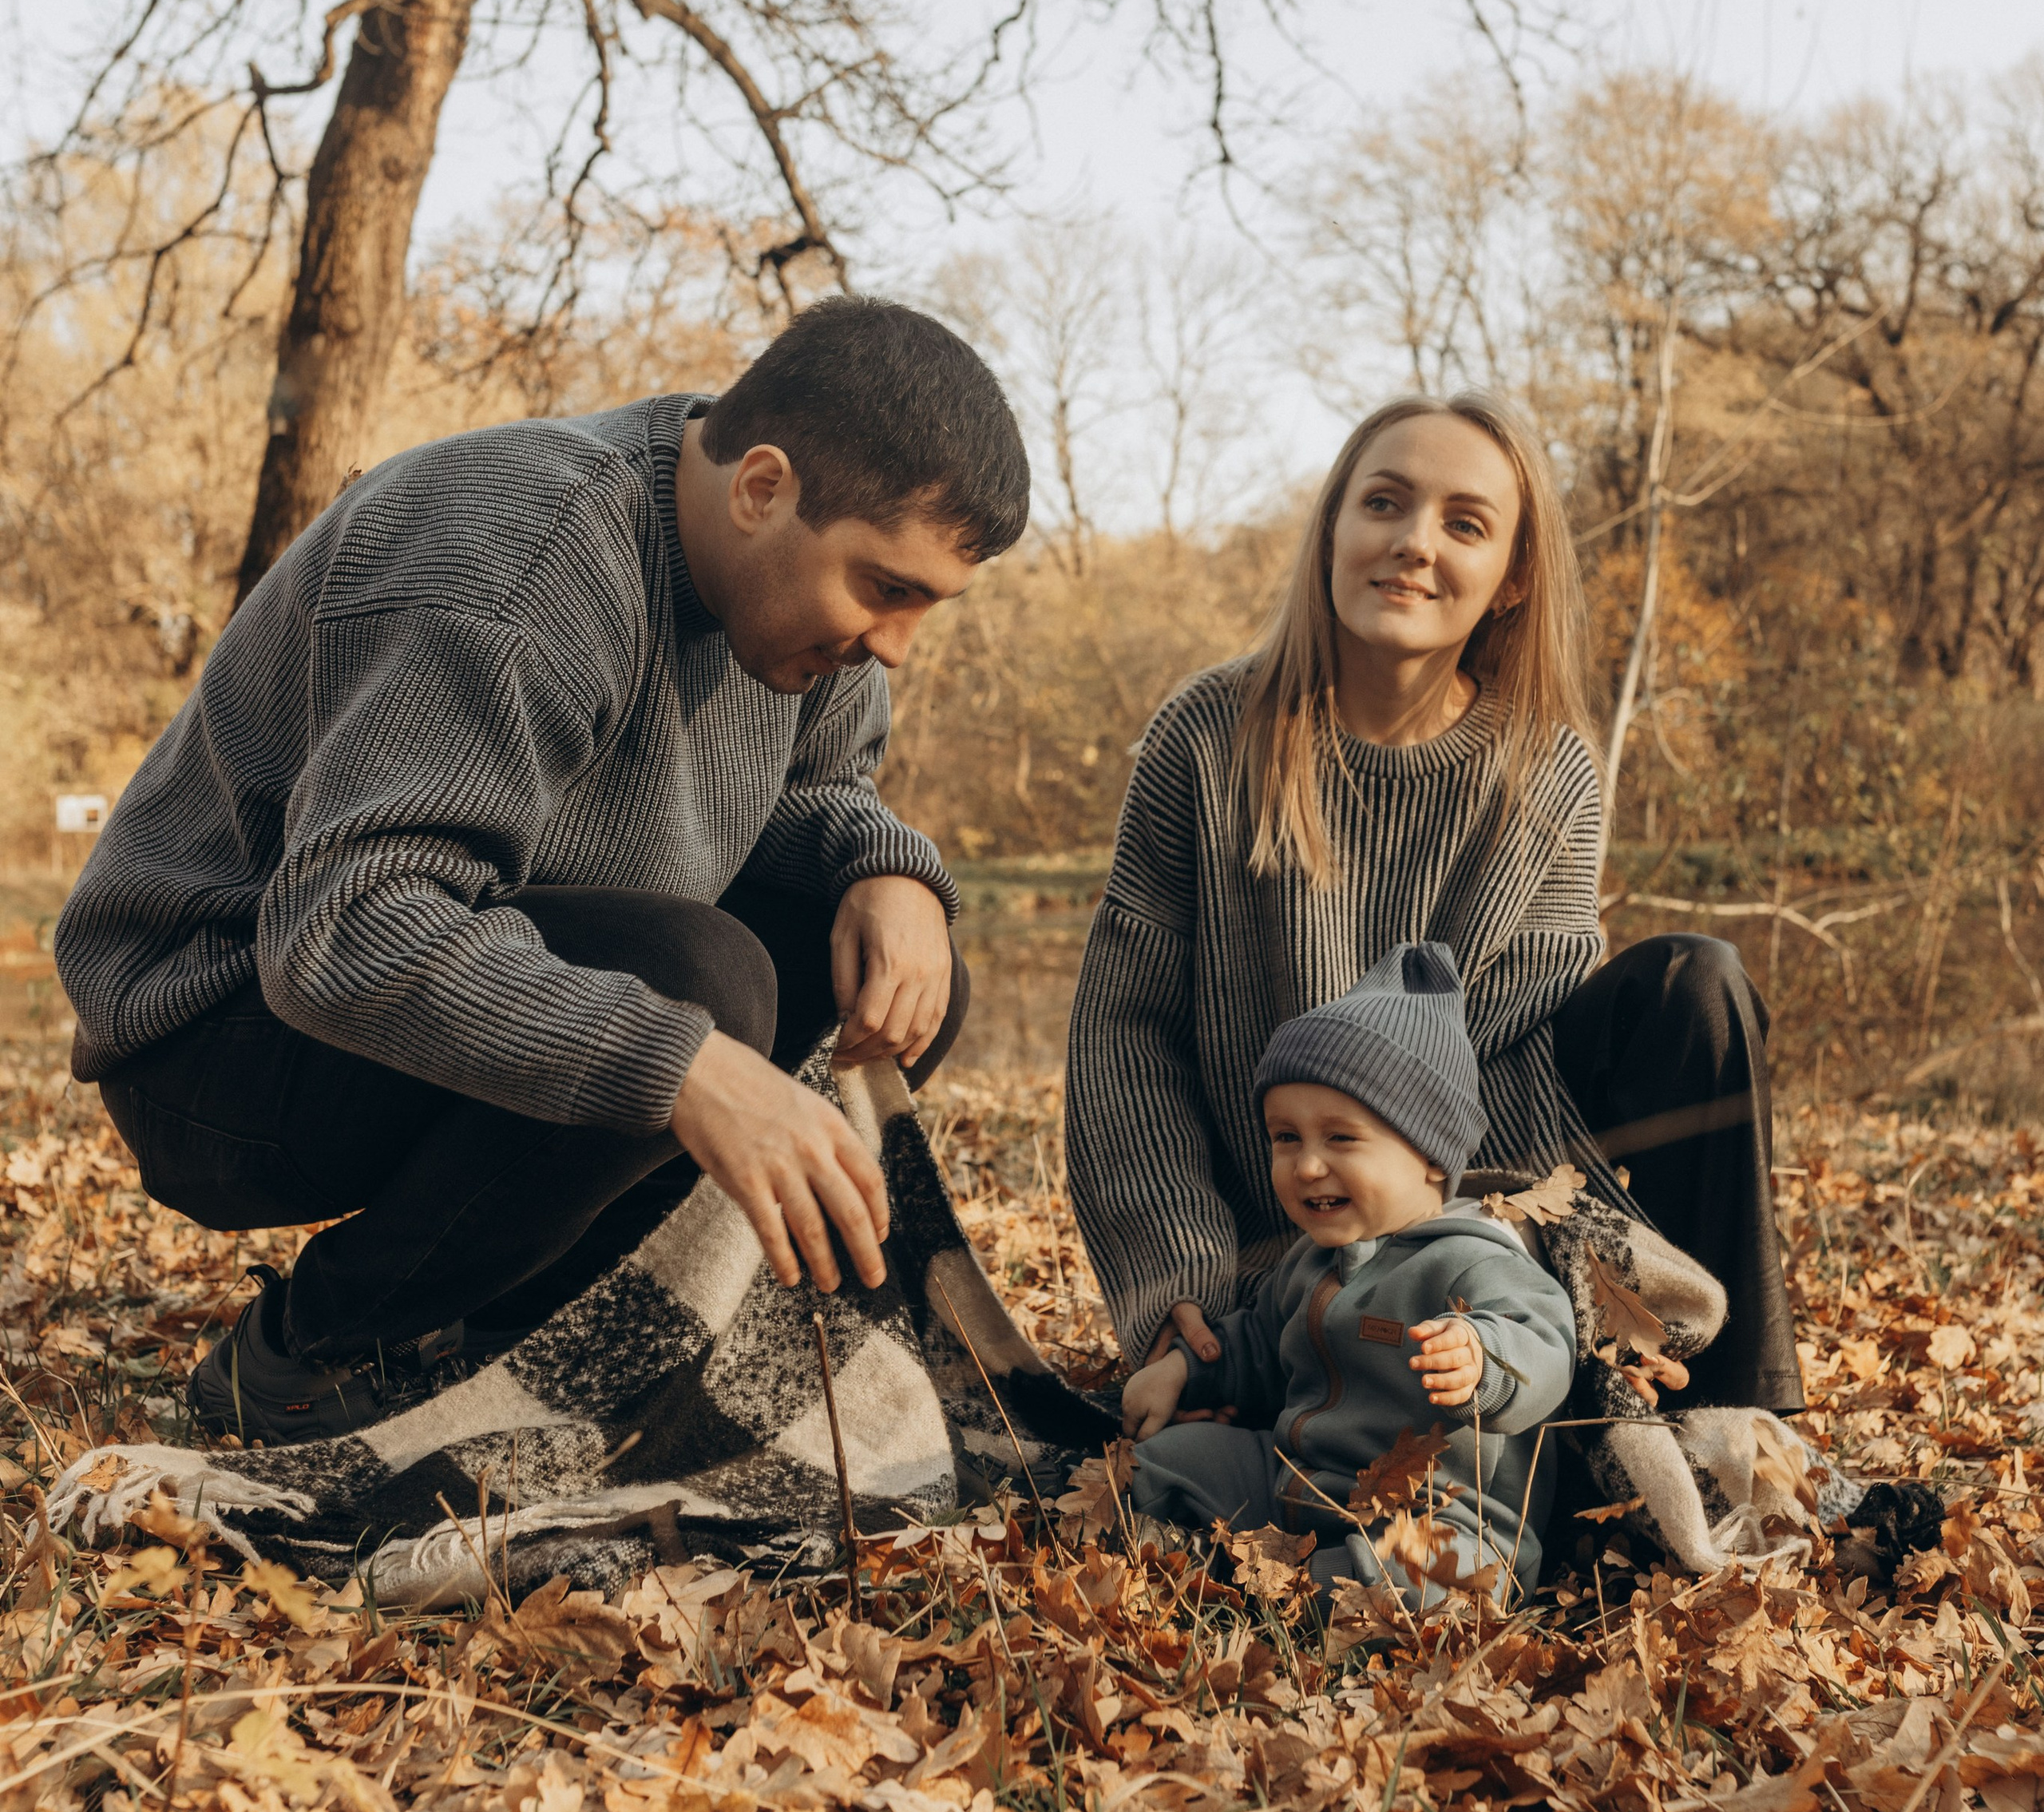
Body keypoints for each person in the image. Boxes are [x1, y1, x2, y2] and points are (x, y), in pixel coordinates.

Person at [57, 296, 1028, 1443]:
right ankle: (318, 1345)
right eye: (886, 587)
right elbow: (344, 931)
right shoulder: (521, 556)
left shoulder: (797, 616)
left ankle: (527, 1331)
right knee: (697, 982)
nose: (896, 644)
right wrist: (681, 1066)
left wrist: (887, 869)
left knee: (888, 967)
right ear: (762, 489)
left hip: (432, 975)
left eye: (927, 603)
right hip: (214, 1039)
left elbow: (807, 796)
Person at [1067, 390, 1800, 1422]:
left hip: (1481, 1222)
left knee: (1699, 982)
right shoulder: (1207, 736)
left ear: (1511, 581)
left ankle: (1741, 1424)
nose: (1414, 543)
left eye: (1465, 524)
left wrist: (1534, 1276)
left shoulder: (1551, 771)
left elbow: (1518, 1063)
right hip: (1285, 1220)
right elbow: (1124, 1036)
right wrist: (1177, 1279)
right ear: (1332, 530)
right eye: (1384, 503)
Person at [1120, 943, 1578, 1606]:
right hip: (1299, 1483)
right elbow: (1255, 1343)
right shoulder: (1309, 1262)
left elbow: (1548, 1342)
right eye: (1286, 1137)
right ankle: (1197, 1554)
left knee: (1440, 1574)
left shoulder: (1476, 1258)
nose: (1307, 1166)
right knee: (1168, 1460)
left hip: (1438, 1512)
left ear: (1429, 1154)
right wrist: (1184, 1370)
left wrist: (1485, 1358)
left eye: (1340, 1138)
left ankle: (1302, 1592)